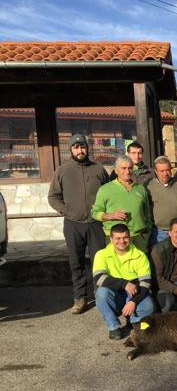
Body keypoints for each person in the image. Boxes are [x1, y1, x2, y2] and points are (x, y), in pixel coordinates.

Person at [48, 133, 109, 314]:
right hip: (73, 223)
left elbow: (108, 193)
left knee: (99, 261)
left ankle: (101, 296)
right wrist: (67, 211)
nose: (80, 150)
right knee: (77, 262)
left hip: (96, 223)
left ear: (87, 148)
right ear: (71, 150)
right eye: (76, 147)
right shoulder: (62, 171)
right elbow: (53, 197)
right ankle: (80, 298)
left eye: (83, 147)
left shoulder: (99, 170)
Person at [93, 223, 155, 340]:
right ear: (111, 239)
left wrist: (133, 301)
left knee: (148, 306)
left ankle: (134, 320)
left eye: (125, 237)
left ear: (130, 237)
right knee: (101, 294)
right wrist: (124, 283)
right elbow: (98, 278)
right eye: (118, 238)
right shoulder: (101, 255)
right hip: (114, 291)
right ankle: (113, 326)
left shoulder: (140, 255)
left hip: (134, 290)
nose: (122, 241)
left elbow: (145, 283)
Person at [91, 155, 152, 253]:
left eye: (130, 168)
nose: (127, 171)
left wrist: (147, 232)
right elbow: (95, 213)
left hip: (139, 238)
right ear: (116, 170)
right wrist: (111, 216)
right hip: (116, 239)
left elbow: (147, 213)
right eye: (123, 168)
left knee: (140, 267)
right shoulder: (105, 189)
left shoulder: (140, 189)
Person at [146, 156, 177, 245]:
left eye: (167, 170)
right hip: (159, 233)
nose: (165, 174)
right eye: (162, 171)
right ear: (156, 171)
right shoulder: (150, 187)